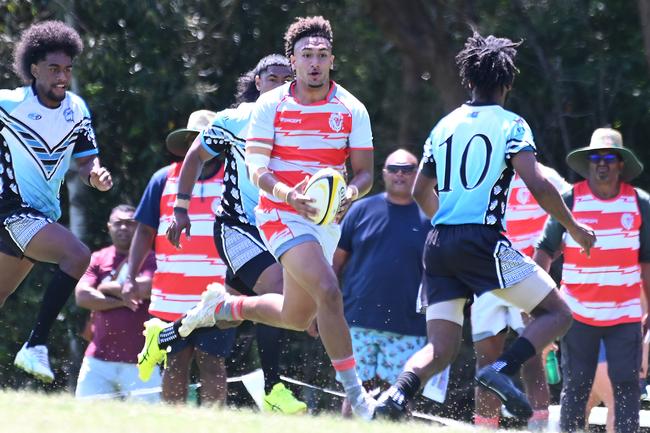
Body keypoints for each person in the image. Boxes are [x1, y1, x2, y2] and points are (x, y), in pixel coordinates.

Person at [372, 31, 596, 421]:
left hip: (438, 244)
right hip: (483, 242)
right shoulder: (511, 125)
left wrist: (449, 220)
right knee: (557, 313)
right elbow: (539, 185)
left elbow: (421, 191)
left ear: (469, 80)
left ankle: (396, 395)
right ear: (507, 83)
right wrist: (574, 229)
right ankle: (500, 371)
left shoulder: (442, 127)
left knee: (440, 350)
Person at [170, 16, 377, 419]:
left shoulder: (352, 108)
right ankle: (359, 398)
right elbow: (256, 170)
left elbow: (366, 172)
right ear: (293, 60)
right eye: (306, 56)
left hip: (327, 220)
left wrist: (350, 192)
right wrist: (288, 195)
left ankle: (226, 307)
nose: (314, 63)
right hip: (279, 212)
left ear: (332, 59)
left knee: (295, 316)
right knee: (329, 291)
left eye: (321, 55)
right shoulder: (269, 105)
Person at [137, 55, 307, 414]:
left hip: (277, 232)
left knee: (230, 314)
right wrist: (180, 209)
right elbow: (195, 156)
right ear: (257, 82)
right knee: (278, 294)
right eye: (271, 77)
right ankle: (274, 389)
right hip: (237, 229)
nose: (279, 83)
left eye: (286, 78)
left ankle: (164, 334)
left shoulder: (302, 125)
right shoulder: (235, 119)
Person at [0, 20, 113, 383]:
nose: (62, 76)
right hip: (12, 211)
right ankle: (35, 346)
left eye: (67, 69)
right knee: (78, 256)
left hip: (42, 216)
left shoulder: (77, 110)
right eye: (53, 69)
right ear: (33, 68)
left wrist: (94, 173)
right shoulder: (10, 104)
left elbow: (85, 159)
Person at [533, 127, 650, 433]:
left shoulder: (640, 204)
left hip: (624, 316)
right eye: (596, 157)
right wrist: (541, 306)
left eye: (609, 157)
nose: (602, 163)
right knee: (576, 392)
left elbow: (647, 263)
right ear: (588, 163)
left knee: (626, 393)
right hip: (578, 315)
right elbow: (543, 252)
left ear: (620, 163)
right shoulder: (570, 200)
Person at [127, 111, 236, 405]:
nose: (198, 145)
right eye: (193, 139)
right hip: (170, 295)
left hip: (217, 294)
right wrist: (130, 275)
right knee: (174, 362)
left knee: (212, 361)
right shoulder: (163, 178)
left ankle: (213, 426)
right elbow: (145, 230)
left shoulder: (233, 177)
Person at [333, 149, 433, 416]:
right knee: (354, 394)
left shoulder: (431, 216)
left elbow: (444, 272)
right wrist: (319, 311)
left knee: (400, 398)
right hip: (358, 320)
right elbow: (335, 264)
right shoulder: (360, 210)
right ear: (384, 173)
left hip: (408, 325)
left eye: (408, 169)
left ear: (419, 175)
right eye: (394, 168)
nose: (400, 173)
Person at [471, 165, 570, 430]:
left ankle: (537, 428)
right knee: (487, 365)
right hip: (488, 275)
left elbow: (569, 216)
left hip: (526, 275)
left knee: (532, 360)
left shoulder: (547, 178)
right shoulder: (483, 173)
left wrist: (549, 257)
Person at [74, 204, 161, 401]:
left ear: (138, 227)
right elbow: (82, 297)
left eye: (129, 224)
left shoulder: (151, 258)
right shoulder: (97, 258)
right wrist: (125, 301)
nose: (123, 228)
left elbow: (147, 288)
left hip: (142, 361)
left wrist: (105, 288)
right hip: (98, 360)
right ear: (109, 227)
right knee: (86, 420)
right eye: (118, 223)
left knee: (149, 424)